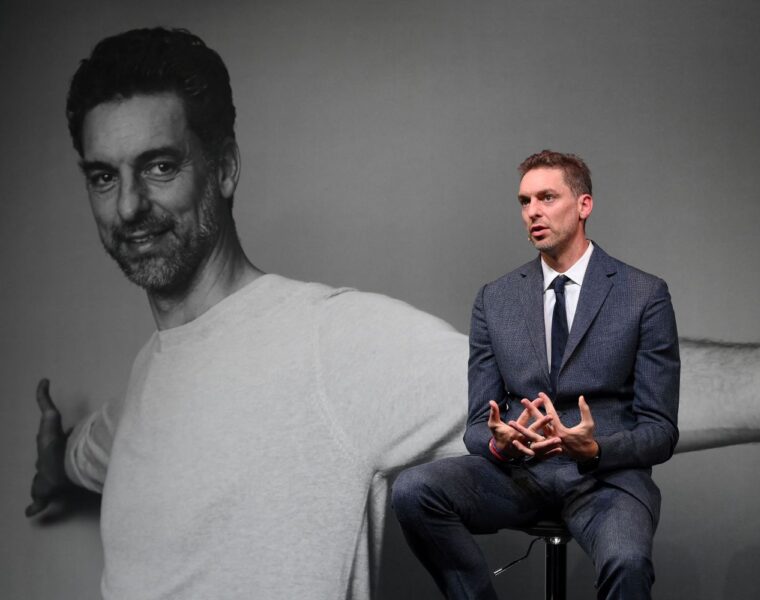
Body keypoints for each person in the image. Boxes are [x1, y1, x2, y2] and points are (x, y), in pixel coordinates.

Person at [24, 27, 468, 600]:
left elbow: (550, 392)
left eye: (159, 166)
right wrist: (53, 465)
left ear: (225, 168)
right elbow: (85, 455)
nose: (129, 206)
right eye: (104, 177)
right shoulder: (142, 386)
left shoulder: (330, 342)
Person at [392, 150, 681, 599]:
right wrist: (499, 444)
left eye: (547, 197)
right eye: (525, 201)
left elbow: (661, 432)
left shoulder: (644, 294)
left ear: (584, 204)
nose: (533, 212)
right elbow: (475, 426)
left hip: (606, 477)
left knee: (628, 562)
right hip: (520, 474)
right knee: (414, 490)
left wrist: (595, 447)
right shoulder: (495, 299)